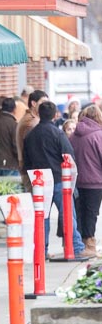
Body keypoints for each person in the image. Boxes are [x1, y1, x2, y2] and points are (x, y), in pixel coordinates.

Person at [23, 101, 94, 259]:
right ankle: (76, 246)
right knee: (68, 214)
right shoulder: (57, 133)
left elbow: (26, 161)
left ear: (39, 113)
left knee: (43, 217)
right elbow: (68, 155)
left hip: (39, 181)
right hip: (59, 179)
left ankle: (42, 250)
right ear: (55, 115)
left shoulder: (30, 135)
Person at [69, 105, 102, 256]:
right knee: (91, 214)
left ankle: (80, 243)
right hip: (95, 182)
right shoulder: (98, 135)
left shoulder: (73, 136)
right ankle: (89, 244)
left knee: (79, 212)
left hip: (76, 181)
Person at [16, 89, 49, 191]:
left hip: (30, 169)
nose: (45, 106)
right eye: (43, 103)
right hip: (32, 170)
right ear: (33, 103)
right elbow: (35, 148)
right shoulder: (32, 122)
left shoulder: (31, 119)